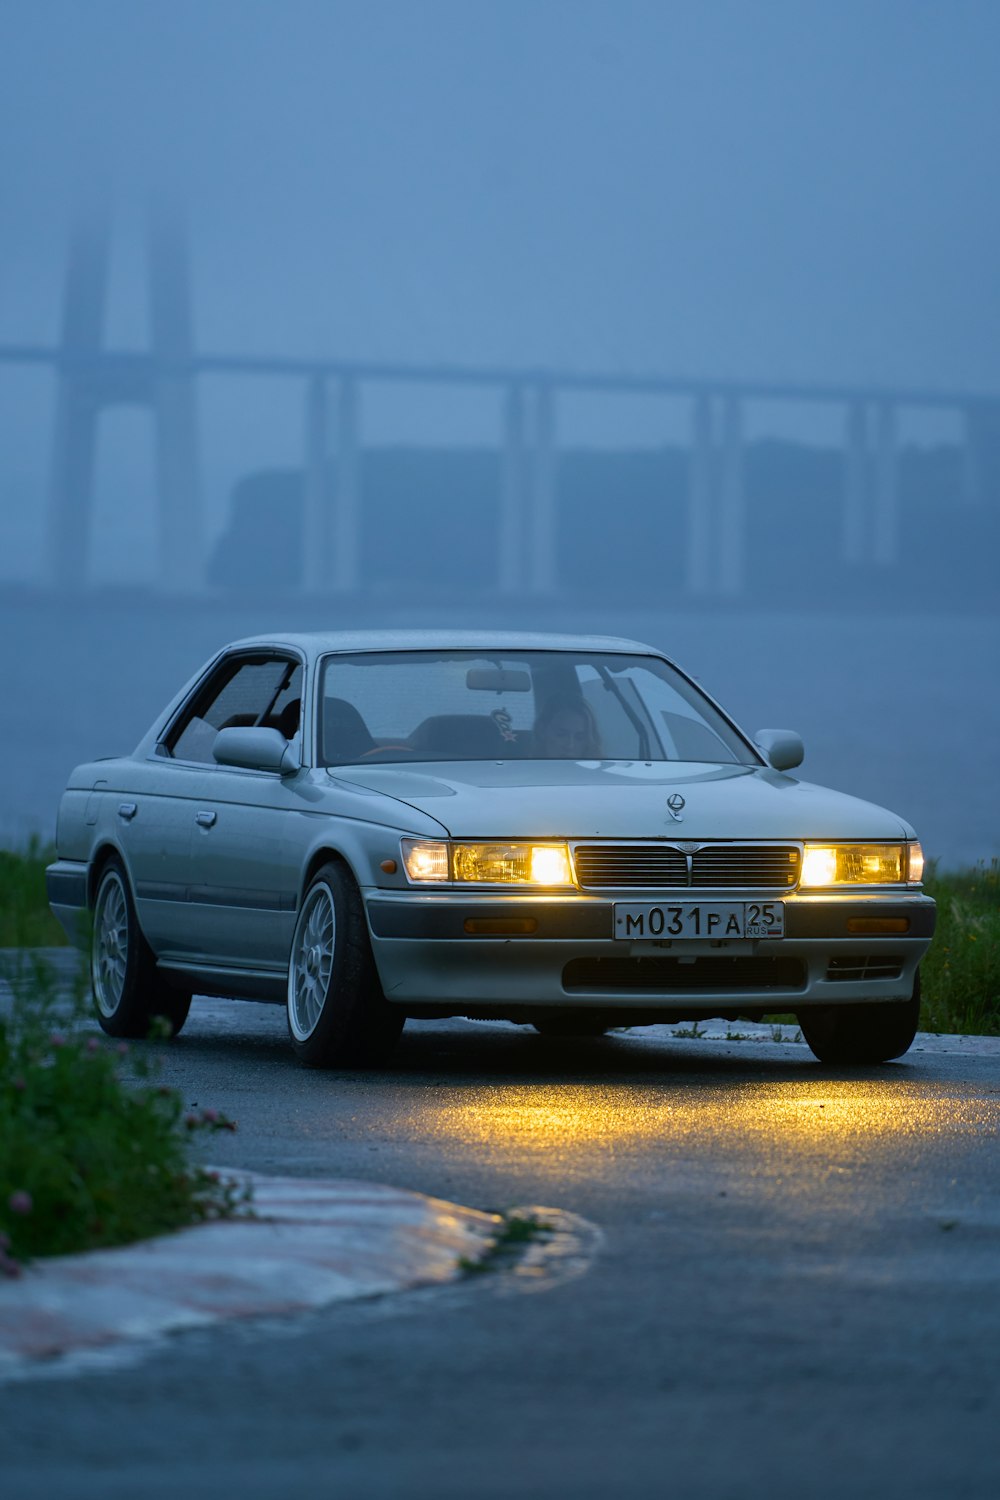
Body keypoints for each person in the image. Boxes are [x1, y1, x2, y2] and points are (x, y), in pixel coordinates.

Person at [532, 694, 602, 758]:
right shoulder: (524, 768)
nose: (570, 746)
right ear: (542, 731)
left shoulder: (599, 771)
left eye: (579, 738)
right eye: (562, 735)